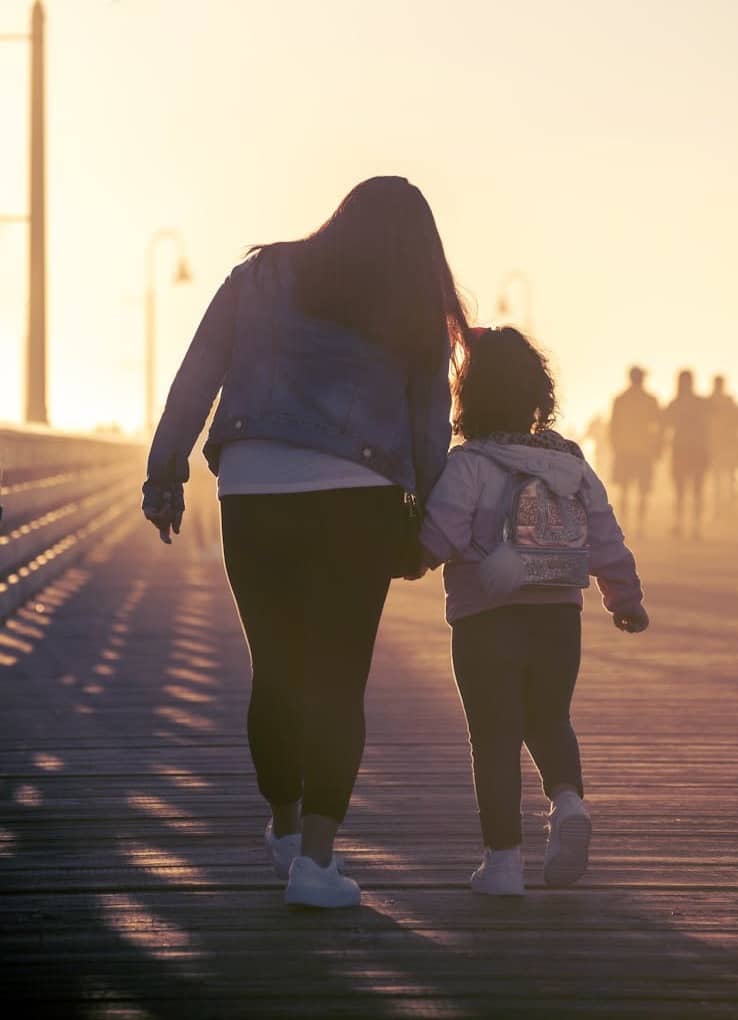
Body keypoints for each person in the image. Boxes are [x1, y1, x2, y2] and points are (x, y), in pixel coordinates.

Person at [142, 177, 469, 908]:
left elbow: (196, 379)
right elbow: (427, 422)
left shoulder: (259, 275)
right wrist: (427, 523)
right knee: (338, 678)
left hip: (253, 489)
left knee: (276, 668)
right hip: (358, 498)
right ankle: (317, 865)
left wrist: (164, 473)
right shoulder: (408, 298)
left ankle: (285, 831)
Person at [420, 327, 647, 894]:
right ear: (536, 396)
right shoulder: (571, 463)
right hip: (558, 616)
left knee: (493, 736)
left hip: (485, 615)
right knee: (549, 716)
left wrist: (407, 555)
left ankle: (502, 865)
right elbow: (605, 535)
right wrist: (624, 597)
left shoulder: (468, 462)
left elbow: (440, 536)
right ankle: (567, 801)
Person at [608, 366, 662, 536]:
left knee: (625, 490)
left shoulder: (621, 399)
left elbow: (613, 427)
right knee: (641, 492)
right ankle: (639, 526)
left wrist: (615, 446)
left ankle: (625, 525)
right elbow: (658, 427)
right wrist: (657, 448)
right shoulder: (650, 400)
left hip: (626, 450)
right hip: (642, 452)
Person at [663, 370, 711, 539]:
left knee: (681, 490)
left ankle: (682, 524)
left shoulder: (676, 402)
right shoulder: (701, 402)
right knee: (696, 490)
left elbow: (665, 423)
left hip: (683, 449)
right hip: (697, 449)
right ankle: (694, 527)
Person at [707, 375, 738, 517]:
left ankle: (724, 508)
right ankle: (721, 508)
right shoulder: (720, 401)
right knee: (721, 477)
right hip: (719, 444)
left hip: (722, 444)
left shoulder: (716, 400)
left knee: (724, 477)